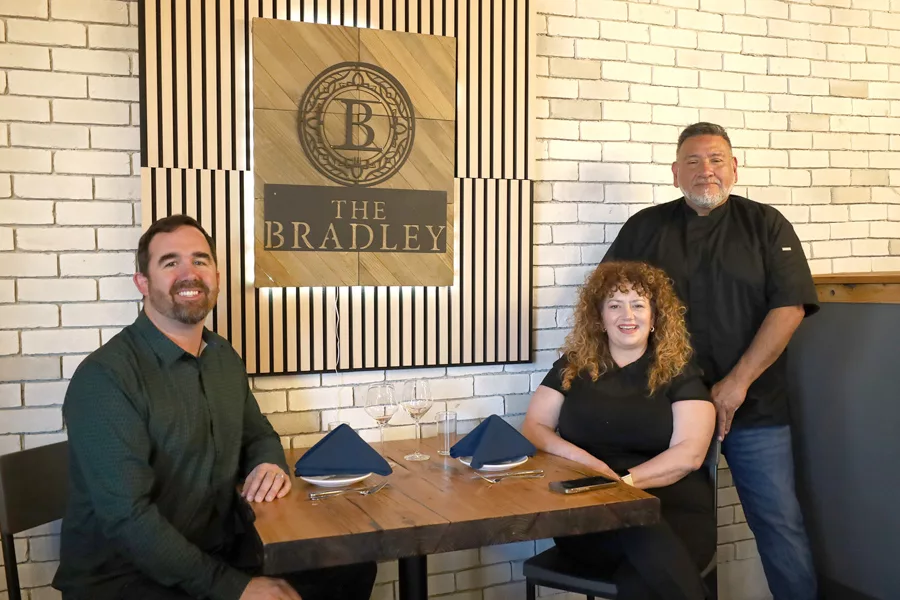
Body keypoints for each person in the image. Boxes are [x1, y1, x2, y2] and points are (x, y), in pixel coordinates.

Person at [53, 215, 377, 600]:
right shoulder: (106, 378)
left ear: (217, 277)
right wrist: (236, 589)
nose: (189, 273)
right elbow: (128, 520)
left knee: (352, 564)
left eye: (200, 260)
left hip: (216, 551)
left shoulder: (221, 356)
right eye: (170, 262)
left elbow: (258, 433)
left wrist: (268, 463)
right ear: (142, 283)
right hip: (126, 577)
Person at [603, 122, 819, 600]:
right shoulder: (645, 227)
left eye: (717, 159)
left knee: (780, 526)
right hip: (667, 414)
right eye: (694, 162)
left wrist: (736, 383)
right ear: (676, 172)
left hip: (755, 407)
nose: (706, 171)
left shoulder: (767, 225)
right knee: (680, 533)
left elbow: (790, 308)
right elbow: (608, 301)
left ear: (734, 168)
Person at [523, 261, 716, 600]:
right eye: (615, 305)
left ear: (655, 318)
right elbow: (533, 427)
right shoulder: (571, 367)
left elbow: (690, 453)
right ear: (599, 319)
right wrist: (583, 463)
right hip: (588, 510)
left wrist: (620, 485)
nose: (628, 315)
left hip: (675, 507)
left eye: (638, 305)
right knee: (641, 531)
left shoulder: (680, 373)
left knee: (642, 567)